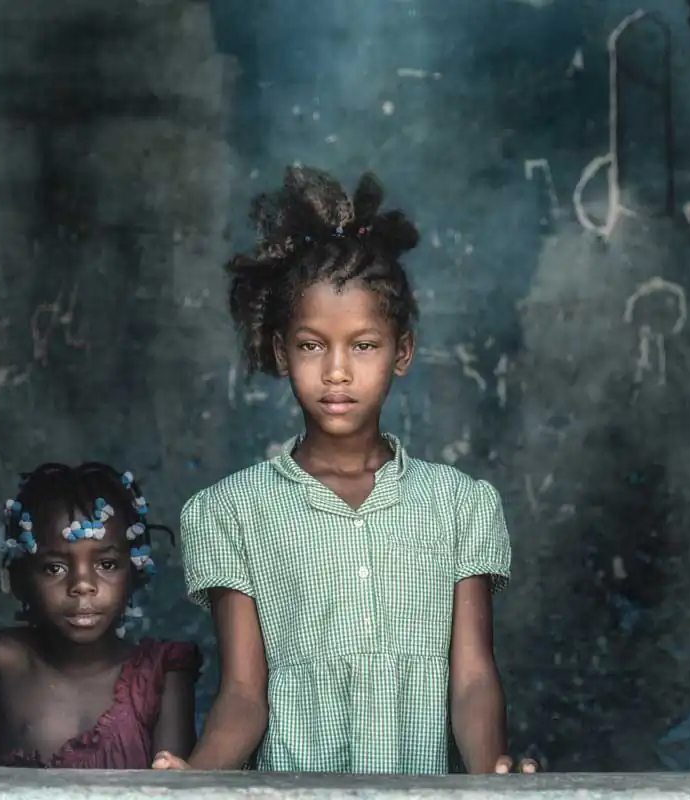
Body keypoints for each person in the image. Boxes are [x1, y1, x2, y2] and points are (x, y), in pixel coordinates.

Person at [155, 167, 536, 774]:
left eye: (363, 345)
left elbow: (471, 679)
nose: (337, 371)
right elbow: (244, 697)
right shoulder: (230, 512)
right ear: (281, 352)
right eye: (312, 345)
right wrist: (193, 783)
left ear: (401, 352)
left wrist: (493, 773)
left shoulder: (461, 505)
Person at [0, 462, 201, 769]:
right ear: (20, 579)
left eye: (107, 565)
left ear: (134, 572)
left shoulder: (159, 675)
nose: (82, 585)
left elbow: (172, 782)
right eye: (54, 568)